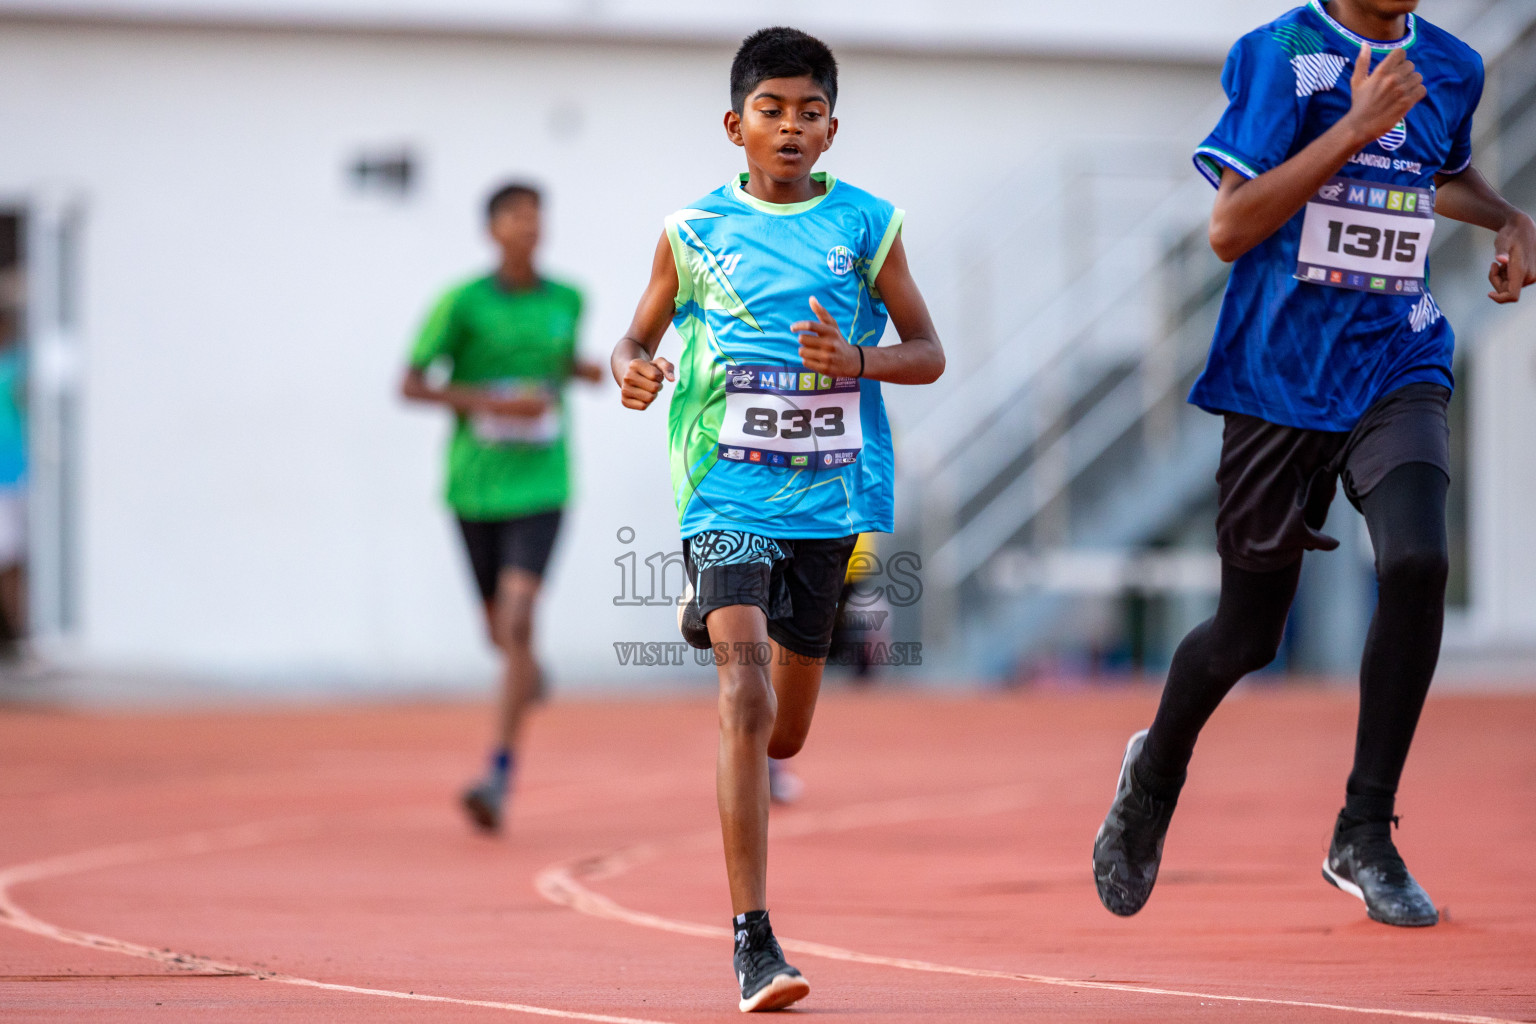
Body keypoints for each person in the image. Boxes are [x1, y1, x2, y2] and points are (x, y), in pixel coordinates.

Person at [1092, 0, 1535, 928]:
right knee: (1247, 635)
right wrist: (1357, 127)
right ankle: (1156, 768)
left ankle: (1363, 831)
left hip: (1396, 358)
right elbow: (1231, 226)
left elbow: (1434, 175)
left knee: (1418, 564)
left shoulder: (1450, 64)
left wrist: (1505, 216)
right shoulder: (1286, 56)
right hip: (1277, 375)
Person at [611, 27, 945, 1011]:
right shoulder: (692, 230)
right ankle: (753, 938)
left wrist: (860, 361)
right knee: (743, 699)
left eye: (808, 112)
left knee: (785, 735)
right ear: (736, 124)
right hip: (724, 490)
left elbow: (926, 349)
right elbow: (635, 333)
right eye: (772, 110)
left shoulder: (868, 224)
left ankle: (714, 611)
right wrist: (631, 365)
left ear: (832, 129)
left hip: (829, 501)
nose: (790, 126)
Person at [402, 182, 604, 834]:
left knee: (518, 618)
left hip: (543, 484)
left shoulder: (569, 299)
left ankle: (497, 775)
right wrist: (494, 404)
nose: (529, 227)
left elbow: (557, 361)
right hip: (474, 487)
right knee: (502, 636)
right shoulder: (461, 304)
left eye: (537, 217)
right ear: (492, 229)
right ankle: (530, 673)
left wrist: (591, 372)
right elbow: (411, 383)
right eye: (516, 217)